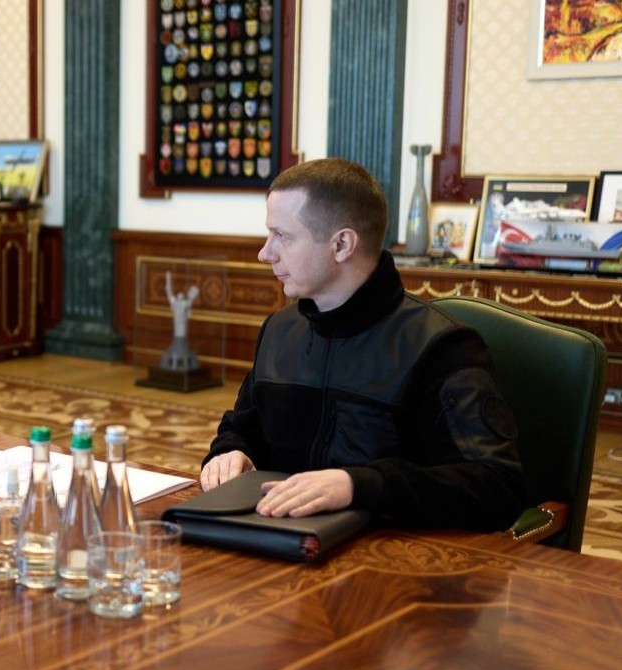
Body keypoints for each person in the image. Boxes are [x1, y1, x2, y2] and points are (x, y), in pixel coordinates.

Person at [199, 158, 537, 531]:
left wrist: (357, 486)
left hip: (395, 550)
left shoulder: (444, 348)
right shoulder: (279, 329)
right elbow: (243, 428)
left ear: (342, 244)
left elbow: (498, 485)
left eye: (283, 236)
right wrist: (230, 452)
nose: (265, 253)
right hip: (279, 536)